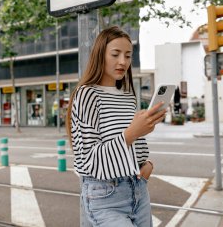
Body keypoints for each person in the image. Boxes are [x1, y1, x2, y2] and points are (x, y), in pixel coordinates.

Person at [66, 26, 166, 227]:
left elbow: (132, 147)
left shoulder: (128, 96)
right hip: (104, 196)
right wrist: (131, 133)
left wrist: (146, 165)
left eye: (128, 56)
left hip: (138, 189)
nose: (123, 62)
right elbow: (88, 159)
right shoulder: (87, 94)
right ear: (100, 55)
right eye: (115, 54)